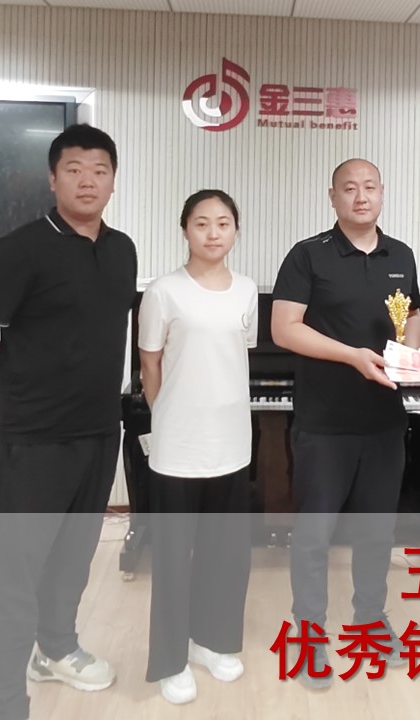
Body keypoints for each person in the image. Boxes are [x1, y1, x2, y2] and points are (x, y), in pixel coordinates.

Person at [0, 124, 136, 720]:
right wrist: (9, 394)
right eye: (74, 169)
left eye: (100, 170)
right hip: (32, 441)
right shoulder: (20, 249)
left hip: (98, 432)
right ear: (52, 178)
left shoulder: (122, 249)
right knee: (14, 577)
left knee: (73, 560)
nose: (88, 180)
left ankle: (56, 649)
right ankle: (2, 705)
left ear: (113, 181)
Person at [271, 158, 420, 688]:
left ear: (382, 193)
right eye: (350, 188)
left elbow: (412, 316)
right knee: (314, 536)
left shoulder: (401, 255)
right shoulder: (308, 254)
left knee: (377, 532)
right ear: (332, 197)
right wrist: (352, 356)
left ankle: (370, 619)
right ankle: (310, 632)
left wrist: (411, 351)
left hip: (383, 421)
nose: (361, 197)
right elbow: (284, 329)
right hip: (324, 423)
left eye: (370, 187)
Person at [138, 190, 256, 705]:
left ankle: (213, 641)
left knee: (226, 553)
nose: (212, 232)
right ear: (185, 229)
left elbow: (235, 355)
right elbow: (150, 364)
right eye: (202, 223)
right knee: (171, 557)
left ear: (235, 231)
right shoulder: (163, 291)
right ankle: (171, 659)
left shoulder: (246, 290)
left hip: (232, 440)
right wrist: (167, 417)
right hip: (178, 445)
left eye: (223, 223)